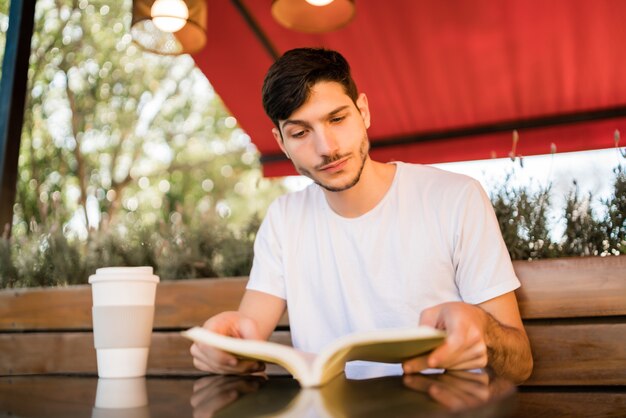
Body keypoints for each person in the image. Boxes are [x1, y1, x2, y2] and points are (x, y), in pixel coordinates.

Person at [190, 48, 533, 384]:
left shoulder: (455, 198)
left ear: (363, 112)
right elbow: (247, 332)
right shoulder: (284, 219)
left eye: (337, 119)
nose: (327, 148)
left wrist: (485, 330)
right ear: (281, 143)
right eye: (300, 133)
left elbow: (521, 364)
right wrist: (226, 349)